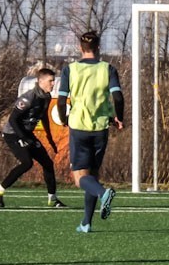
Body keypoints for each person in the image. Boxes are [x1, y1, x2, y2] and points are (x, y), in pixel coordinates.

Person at [57, 31, 124, 232]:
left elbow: (61, 100)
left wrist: (63, 119)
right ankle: (86, 223)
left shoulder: (70, 69)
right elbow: (118, 98)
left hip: (78, 127)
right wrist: (119, 117)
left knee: (80, 179)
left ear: (80, 48)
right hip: (100, 128)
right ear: (98, 48)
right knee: (92, 175)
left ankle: (104, 194)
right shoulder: (108, 69)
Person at [0, 68, 67, 208]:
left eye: (53, 80)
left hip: (26, 134)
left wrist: (49, 138)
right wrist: (23, 138)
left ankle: (53, 199)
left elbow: (43, 117)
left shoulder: (46, 97)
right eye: (50, 80)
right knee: (27, 163)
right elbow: (13, 120)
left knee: (47, 164)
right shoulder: (28, 98)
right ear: (40, 81)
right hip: (13, 134)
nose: (53, 83)